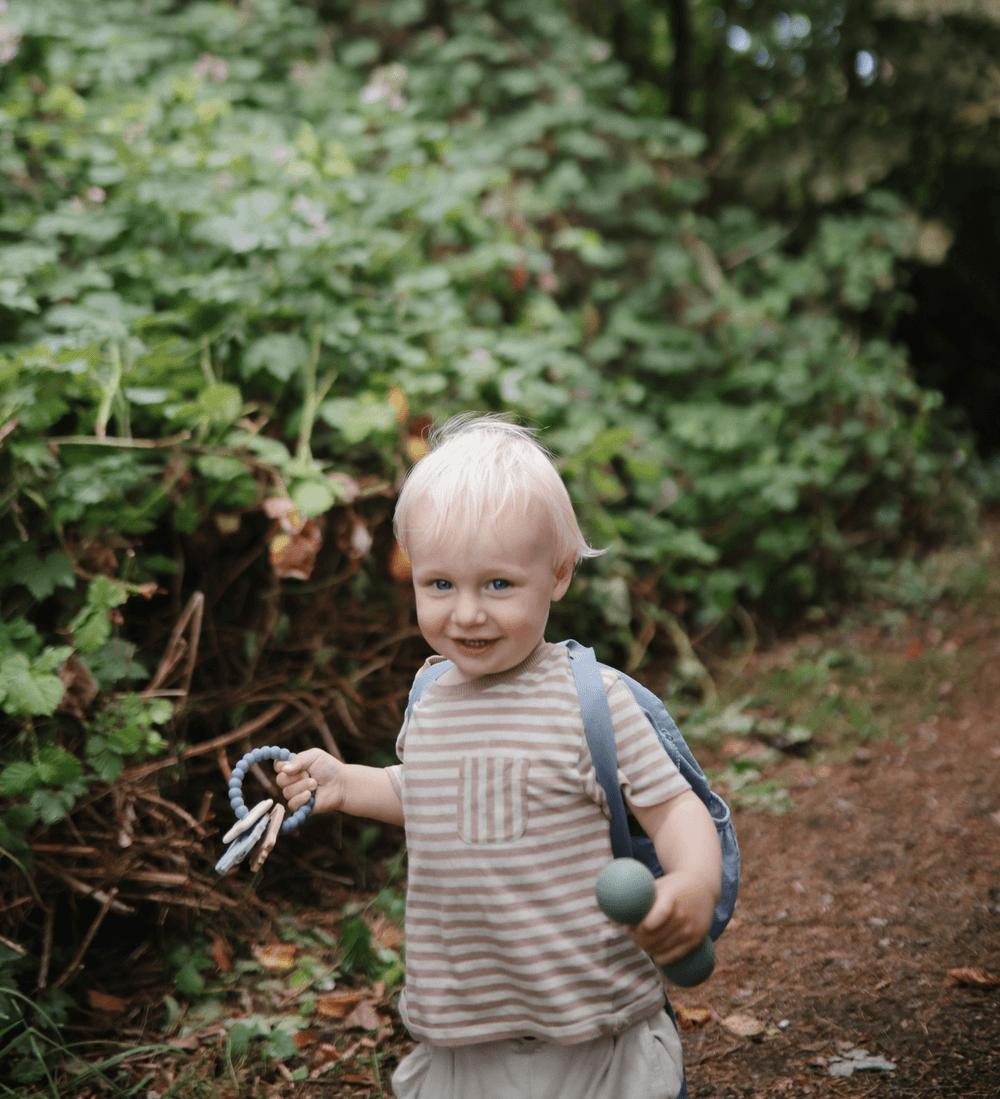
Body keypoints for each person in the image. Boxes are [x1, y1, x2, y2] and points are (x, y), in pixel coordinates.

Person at [275, 413, 723, 1099]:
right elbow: (425, 789)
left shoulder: (591, 700)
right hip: (464, 1028)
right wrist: (345, 782)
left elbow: (672, 807)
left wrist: (693, 881)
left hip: (591, 1025)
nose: (467, 614)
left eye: (498, 585)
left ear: (559, 573)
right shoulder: (429, 694)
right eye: (441, 585)